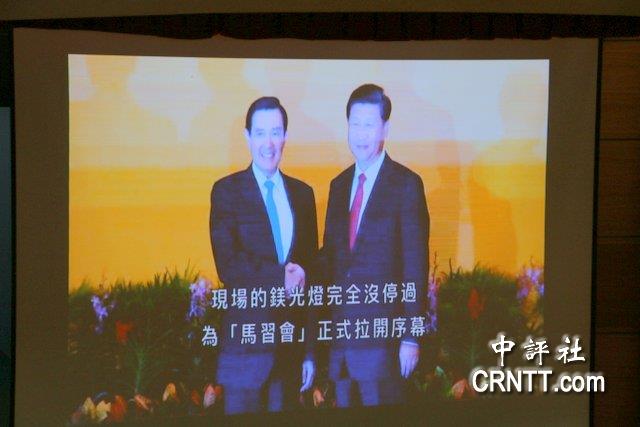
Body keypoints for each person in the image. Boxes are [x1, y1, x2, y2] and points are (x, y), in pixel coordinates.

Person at [320, 84, 429, 407]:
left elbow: (415, 266)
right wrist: (296, 269)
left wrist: (411, 336)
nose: (361, 134)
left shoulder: (406, 184)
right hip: (341, 346)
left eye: (369, 125)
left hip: (384, 346)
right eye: (355, 124)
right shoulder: (339, 186)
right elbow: (331, 257)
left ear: (385, 128)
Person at [209, 97, 317, 414]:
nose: (268, 143)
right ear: (247, 137)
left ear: (285, 136)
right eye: (259, 133)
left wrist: (310, 351)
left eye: (275, 132)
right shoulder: (226, 191)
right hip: (244, 355)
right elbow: (228, 265)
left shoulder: (303, 194)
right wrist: (279, 276)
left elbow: (310, 273)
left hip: (289, 354)